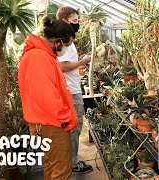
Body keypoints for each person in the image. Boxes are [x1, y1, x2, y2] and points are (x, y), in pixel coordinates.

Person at [18, 16, 78, 180]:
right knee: (61, 170)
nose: (65, 50)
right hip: (52, 123)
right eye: (66, 45)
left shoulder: (41, 55)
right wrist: (65, 117)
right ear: (57, 41)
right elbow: (46, 96)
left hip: (45, 122)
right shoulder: (39, 57)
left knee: (52, 166)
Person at [56, 6, 93, 174]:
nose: (77, 24)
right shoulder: (63, 43)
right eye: (75, 21)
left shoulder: (65, 40)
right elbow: (63, 66)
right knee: (74, 126)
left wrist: (78, 66)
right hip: (70, 92)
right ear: (64, 21)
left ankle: (70, 161)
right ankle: (71, 164)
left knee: (73, 127)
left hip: (71, 88)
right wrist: (83, 61)